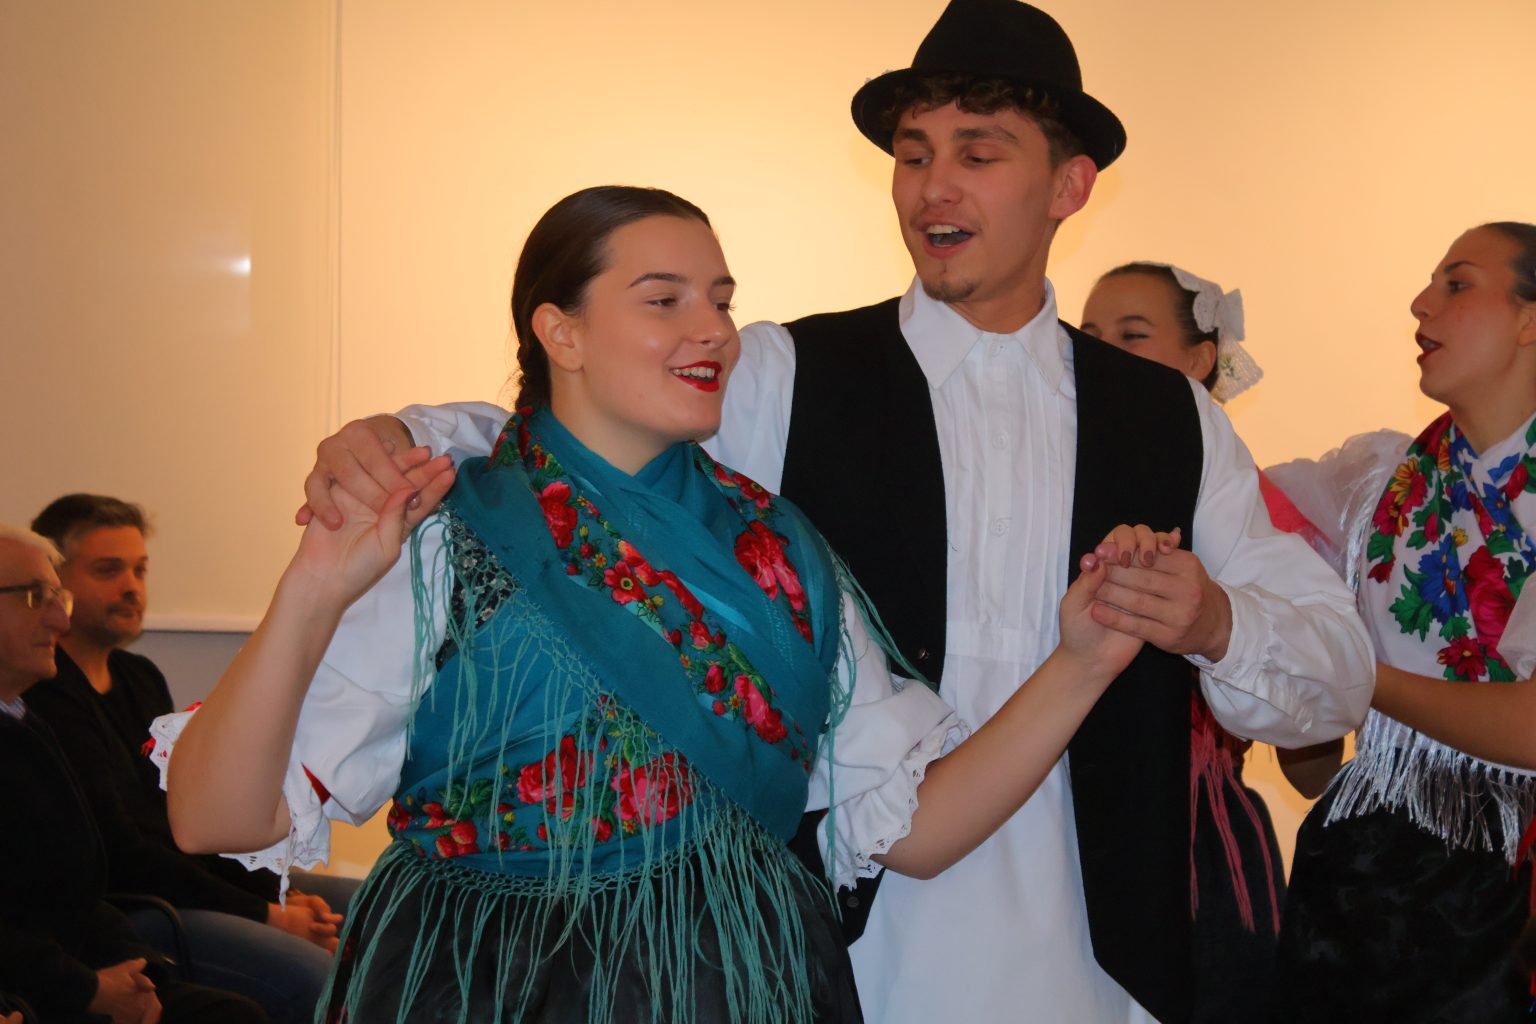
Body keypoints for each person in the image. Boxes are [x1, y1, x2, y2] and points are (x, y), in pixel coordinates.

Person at [294, 4, 1374, 1021]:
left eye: (978, 154)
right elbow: (571, 443)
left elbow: (1336, 673)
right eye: (913, 154)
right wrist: (402, 436)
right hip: (833, 947)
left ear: (1070, 184)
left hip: (1101, 958)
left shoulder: (1174, 419)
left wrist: (1214, 621)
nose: (933, 188)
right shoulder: (784, 372)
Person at [155, 184, 1173, 1023]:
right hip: (483, 985)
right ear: (560, 330)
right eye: (664, 300)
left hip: (737, 984)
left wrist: (1083, 661)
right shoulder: (445, 534)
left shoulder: (783, 554)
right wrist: (314, 589)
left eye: (721, 300)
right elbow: (214, 817)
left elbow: (917, 830)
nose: (714, 331)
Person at [1261, 222, 1536, 1021]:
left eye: (1458, 284)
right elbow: (1312, 770)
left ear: (1529, 319)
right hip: (1361, 888)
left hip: (1514, 896)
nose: (1421, 304)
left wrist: (1350, 673)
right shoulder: (1368, 487)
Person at [22, 494, 345, 1024]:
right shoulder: (43, 693)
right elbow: (124, 852)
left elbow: (188, 814)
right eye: (108, 570)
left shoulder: (139, 677)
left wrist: (274, 894)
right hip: (135, 907)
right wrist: (266, 912)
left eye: (140, 569)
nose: (132, 586)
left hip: (186, 884)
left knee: (368, 903)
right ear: (56, 585)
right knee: (314, 978)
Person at [1079, 261, 1292, 1016]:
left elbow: (1310, 724)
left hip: (1197, 840)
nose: (1101, 356)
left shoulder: (1244, 509)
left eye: (1132, 335)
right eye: (1088, 336)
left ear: (1201, 360)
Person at [0, 523, 268, 1024]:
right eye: (37, 598)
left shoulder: (25, 719)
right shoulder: (49, 708)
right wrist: (90, 990)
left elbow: (83, 889)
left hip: (77, 965)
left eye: (59, 598)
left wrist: (145, 976)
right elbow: (124, 859)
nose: (59, 618)